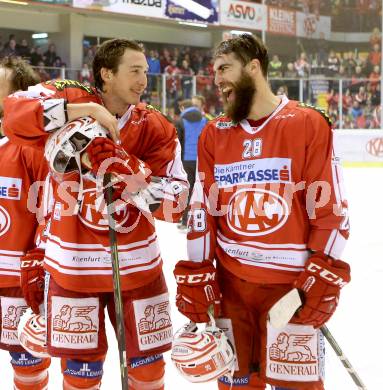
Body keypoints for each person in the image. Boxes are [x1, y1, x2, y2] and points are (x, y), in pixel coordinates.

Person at [3, 38, 188, 390]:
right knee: (79, 378)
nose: (143, 81)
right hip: (73, 269)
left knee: (148, 374)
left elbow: (175, 202)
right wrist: (82, 113)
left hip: (137, 269)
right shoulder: (68, 94)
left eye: (145, 72)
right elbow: (14, 115)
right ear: (106, 74)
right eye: (135, 71)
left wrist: (124, 171)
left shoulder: (155, 126)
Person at [173, 34, 350, 390]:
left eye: (225, 69)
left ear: (253, 68)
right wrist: (197, 269)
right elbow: (202, 210)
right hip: (232, 292)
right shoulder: (214, 134)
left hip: (291, 293)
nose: (217, 79)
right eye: (215, 71)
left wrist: (322, 274)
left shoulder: (306, 123)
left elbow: (331, 211)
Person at [0, 57, 50, 389]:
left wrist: (40, 272)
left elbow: (50, 215)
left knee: (27, 366)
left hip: (16, 279)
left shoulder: (31, 149)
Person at [176, 99, 207, 230]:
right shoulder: (205, 120)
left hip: (186, 160)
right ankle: (200, 221)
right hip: (201, 160)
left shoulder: (180, 121)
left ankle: (185, 221)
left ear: (183, 108)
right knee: (200, 190)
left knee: (187, 190)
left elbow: (178, 143)